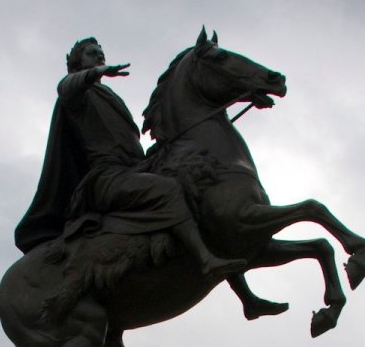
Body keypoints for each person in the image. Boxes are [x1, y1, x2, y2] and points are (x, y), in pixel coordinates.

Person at [14, 37, 246, 283]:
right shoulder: (77, 95)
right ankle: (205, 260)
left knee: (197, 188)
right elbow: (65, 87)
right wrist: (96, 72)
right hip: (106, 178)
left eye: (101, 53)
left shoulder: (109, 96)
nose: (99, 56)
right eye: (92, 53)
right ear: (77, 61)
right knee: (168, 189)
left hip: (133, 169)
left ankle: (246, 295)